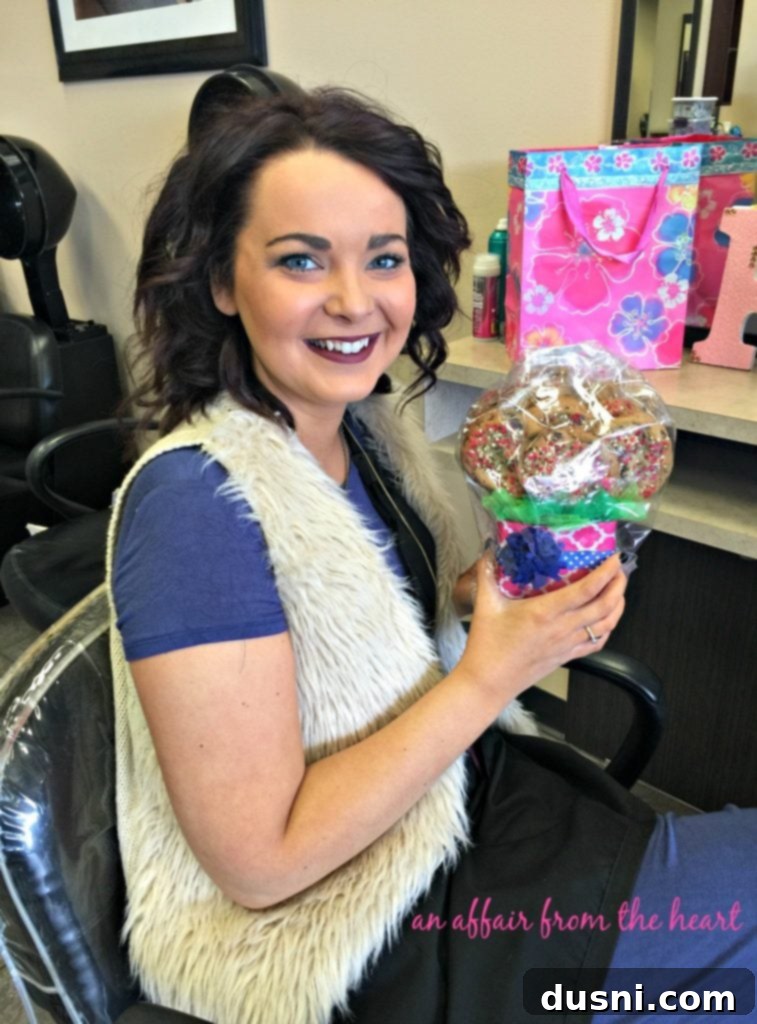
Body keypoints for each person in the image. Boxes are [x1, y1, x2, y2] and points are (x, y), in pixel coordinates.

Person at [109, 86, 757, 1024]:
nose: (354, 301)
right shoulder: (193, 508)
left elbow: (356, 609)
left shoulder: (360, 432)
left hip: (463, 813)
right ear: (219, 281)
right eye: (300, 260)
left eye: (384, 257)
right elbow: (260, 866)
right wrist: (495, 674)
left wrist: (483, 591)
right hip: (363, 931)